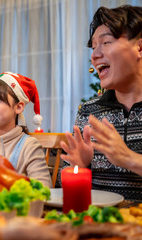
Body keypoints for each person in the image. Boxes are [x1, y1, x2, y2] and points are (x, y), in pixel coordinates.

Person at [60, 5, 142, 201]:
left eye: (105, 42)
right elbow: (66, 189)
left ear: (139, 47)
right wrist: (80, 167)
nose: (95, 55)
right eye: (94, 46)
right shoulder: (89, 111)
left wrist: (129, 159)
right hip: (100, 225)